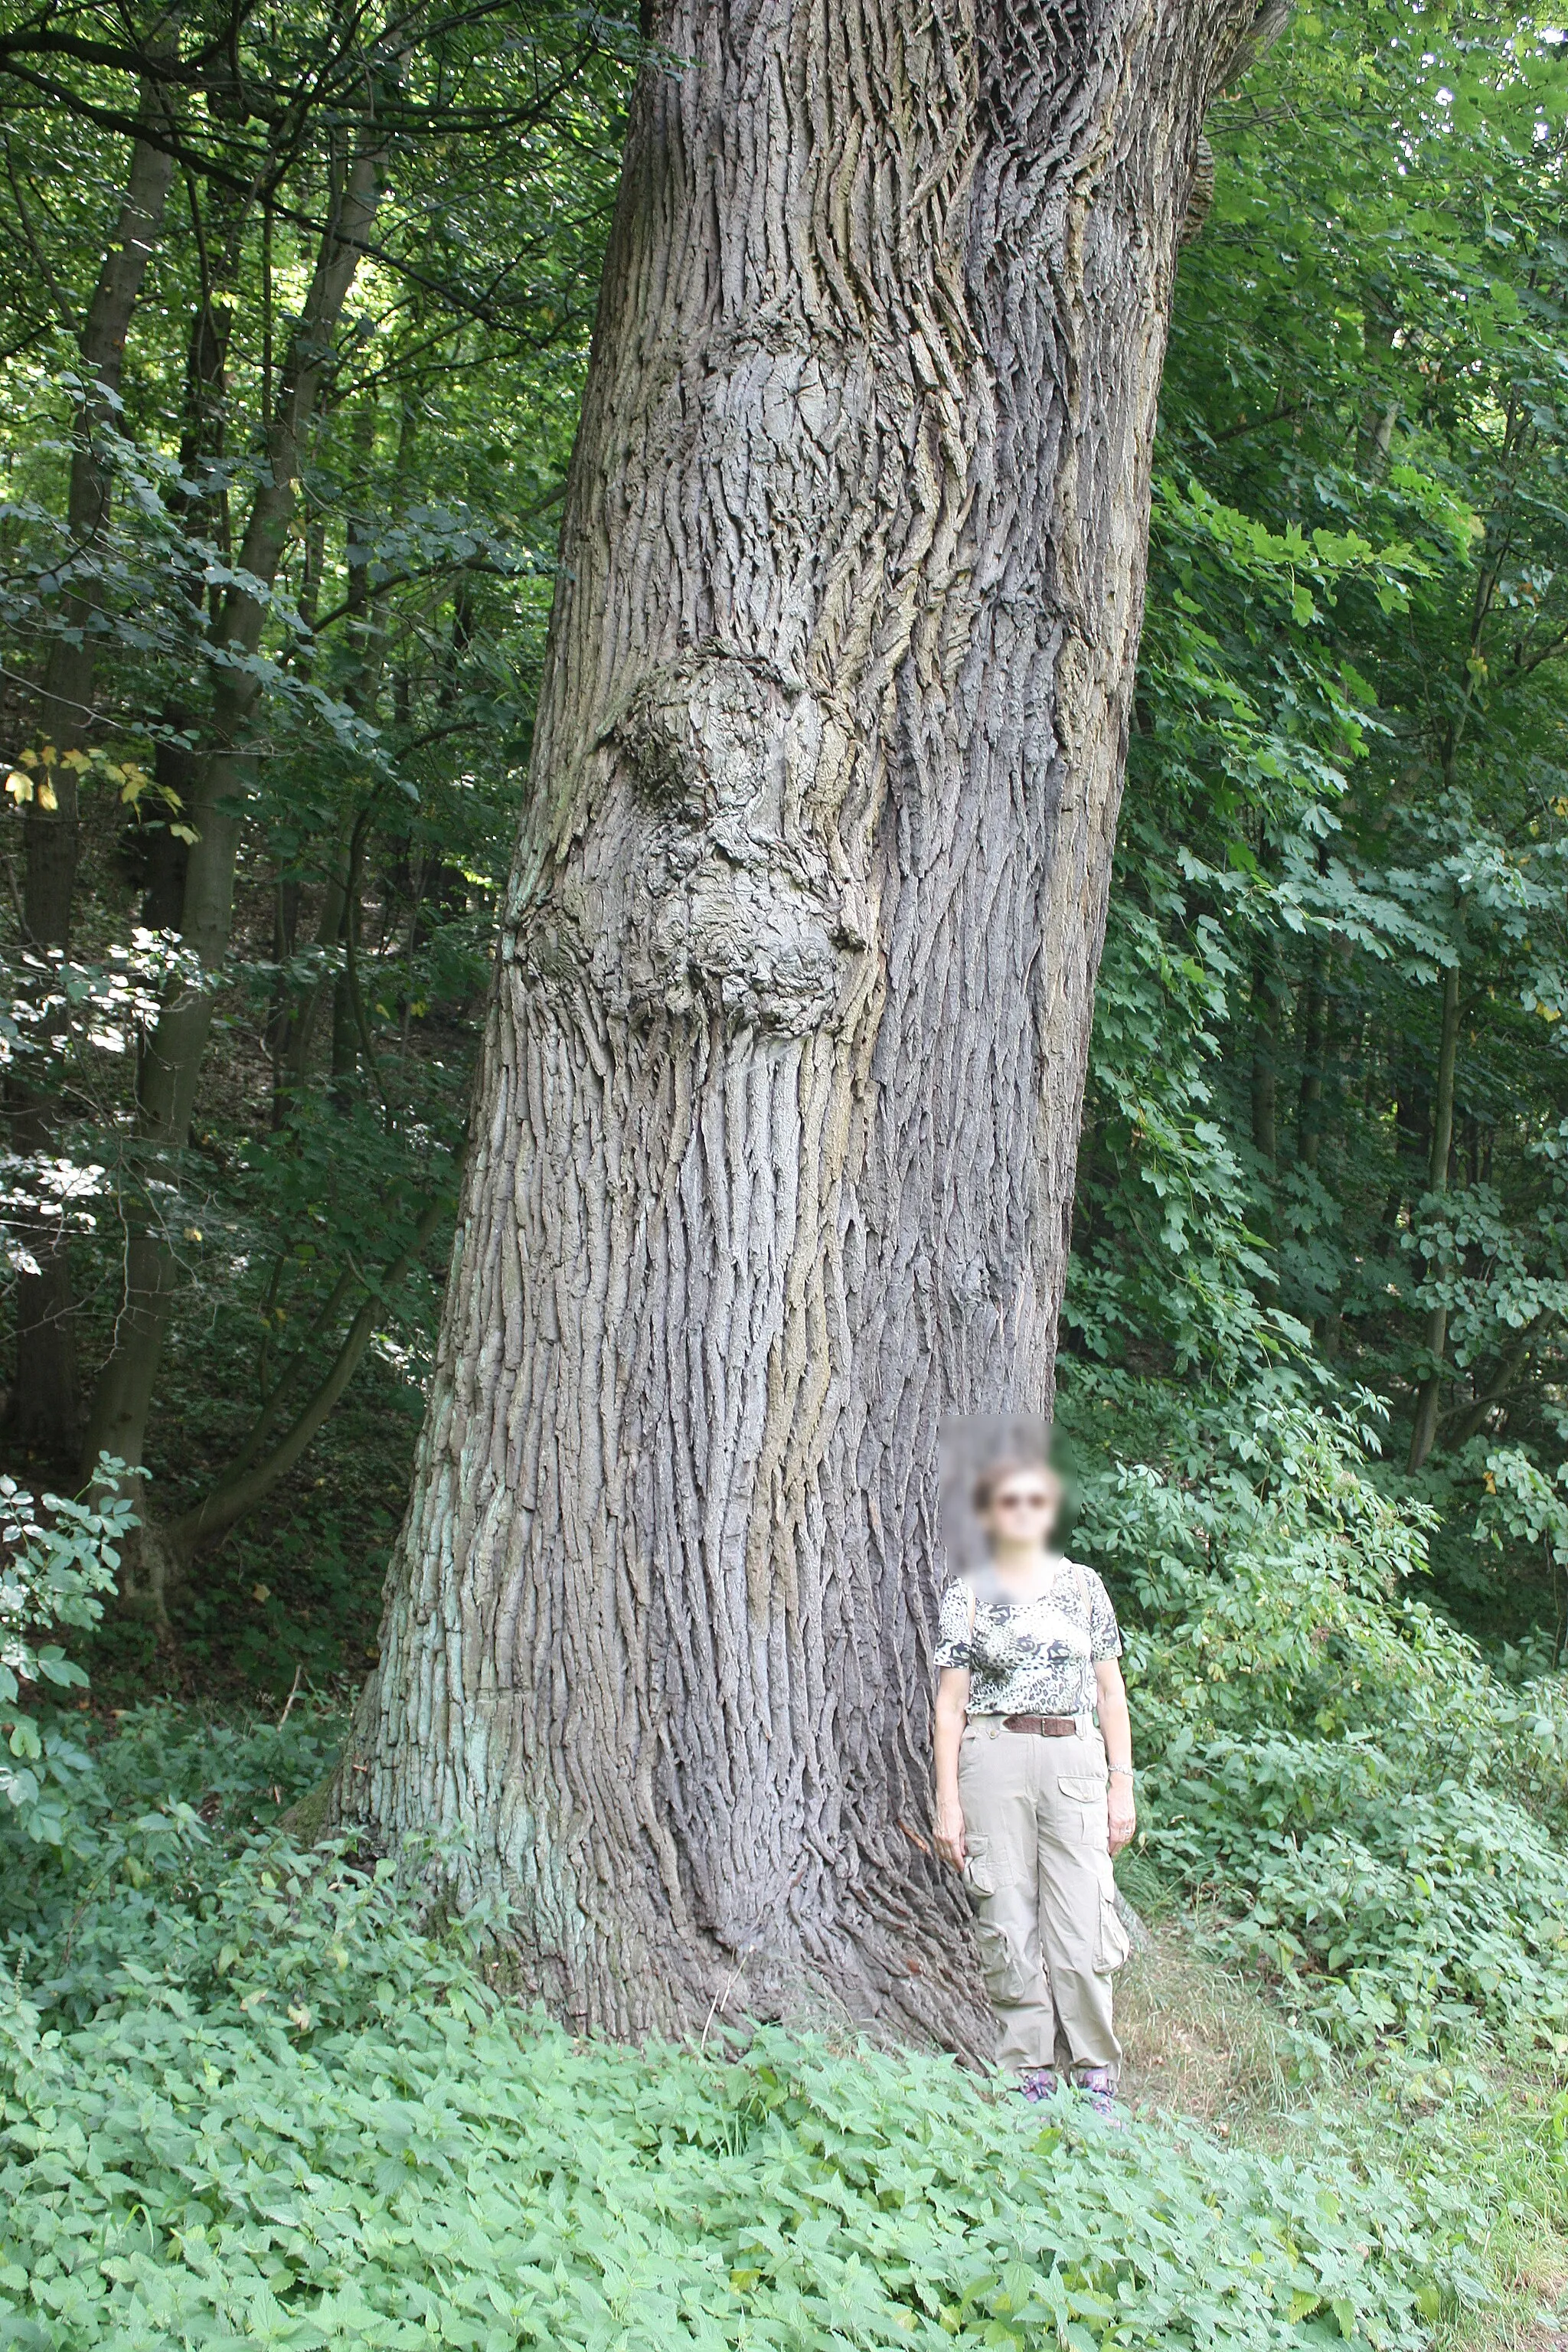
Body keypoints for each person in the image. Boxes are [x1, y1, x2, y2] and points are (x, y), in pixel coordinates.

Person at [933, 1456, 1135, 2113]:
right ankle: (1028, 2075)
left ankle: (1096, 2078)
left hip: (1074, 1757)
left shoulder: (1083, 1588)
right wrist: (948, 1803)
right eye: (1008, 1500)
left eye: (1035, 1499)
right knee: (1007, 1916)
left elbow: (1111, 1693)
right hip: (993, 1758)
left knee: (1083, 1921)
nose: (1021, 1511)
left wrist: (1121, 1784)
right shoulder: (967, 1592)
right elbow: (948, 1705)